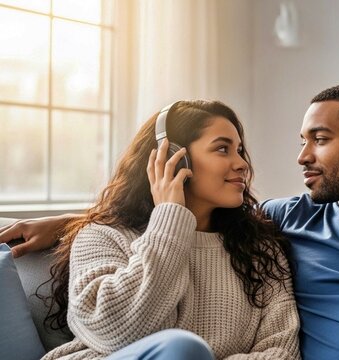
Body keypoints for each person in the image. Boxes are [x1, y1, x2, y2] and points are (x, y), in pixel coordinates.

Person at [1, 84, 339, 359]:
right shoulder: (289, 219)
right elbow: (190, 222)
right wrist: (73, 222)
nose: (300, 158)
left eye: (318, 139)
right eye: (300, 141)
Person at [16, 100, 301, 359]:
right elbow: (115, 332)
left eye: (239, 150)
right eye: (222, 149)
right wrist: (171, 219)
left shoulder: (260, 250)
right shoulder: (102, 236)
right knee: (181, 348)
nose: (242, 164)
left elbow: (280, 351)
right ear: (173, 158)